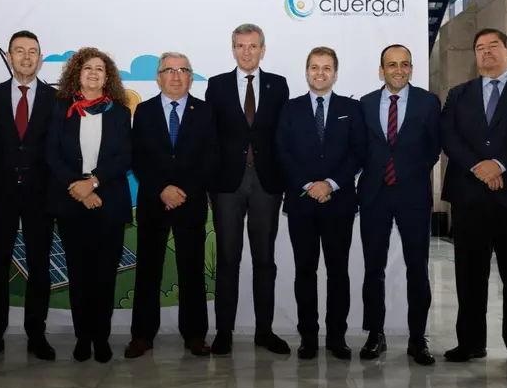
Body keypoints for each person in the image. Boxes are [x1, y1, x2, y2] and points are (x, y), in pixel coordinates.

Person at [440, 28, 507, 374]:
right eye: (480, 47)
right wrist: (479, 167)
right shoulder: (458, 94)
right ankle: (470, 342)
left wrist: (499, 164)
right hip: (469, 196)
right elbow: (448, 136)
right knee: (469, 276)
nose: (486, 52)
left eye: (493, 45)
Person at [124, 52, 219, 359]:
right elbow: (137, 157)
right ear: (158, 76)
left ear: (191, 77)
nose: (176, 76)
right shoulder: (145, 111)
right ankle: (142, 335)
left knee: (191, 271)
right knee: (148, 270)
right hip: (154, 202)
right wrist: (162, 189)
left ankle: (194, 335)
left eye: (183, 70)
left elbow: (210, 158)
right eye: (169, 70)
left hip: (190, 204)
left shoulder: (204, 112)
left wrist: (184, 191)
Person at [205, 23, 291, 355]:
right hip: (227, 185)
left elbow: (284, 135)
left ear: (263, 49)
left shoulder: (278, 85)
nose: (246, 52)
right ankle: (223, 331)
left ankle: (264, 331)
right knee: (227, 259)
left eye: (253, 46)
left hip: (267, 184)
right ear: (233, 49)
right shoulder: (217, 85)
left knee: (265, 260)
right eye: (240, 46)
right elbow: (210, 136)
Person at [276, 47, 365, 360]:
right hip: (302, 203)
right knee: (305, 273)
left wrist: (330, 184)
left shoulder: (352, 109)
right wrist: (309, 185)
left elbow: (358, 152)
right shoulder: (290, 109)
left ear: (335, 73)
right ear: (306, 72)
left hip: (338, 202)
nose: (320, 73)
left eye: (327, 68)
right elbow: (283, 152)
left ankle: (337, 337)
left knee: (338, 272)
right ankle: (309, 338)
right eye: (314, 67)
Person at [45, 47, 132, 364]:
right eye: (87, 68)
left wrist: (93, 183)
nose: (93, 73)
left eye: (100, 69)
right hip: (71, 202)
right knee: (78, 274)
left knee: (104, 275)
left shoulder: (121, 112)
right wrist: (78, 189)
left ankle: (101, 337)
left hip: (109, 202)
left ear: (107, 77)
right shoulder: (60, 108)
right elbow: (51, 154)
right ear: (76, 74)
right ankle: (83, 337)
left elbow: (124, 157)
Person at [0, 30, 57, 363]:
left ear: (40, 58)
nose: (26, 57)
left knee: (40, 267)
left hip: (41, 197)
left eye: (32, 51)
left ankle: (36, 335)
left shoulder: (57, 99)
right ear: (8, 57)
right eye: (19, 51)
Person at [357, 44, 441, 365]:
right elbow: (360, 149)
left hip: (413, 195)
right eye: (392, 65)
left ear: (411, 68)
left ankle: (418, 339)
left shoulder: (428, 102)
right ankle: (374, 334)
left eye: (405, 64)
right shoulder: (364, 105)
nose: (399, 70)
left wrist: (410, 172)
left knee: (417, 269)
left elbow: (434, 148)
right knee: (373, 269)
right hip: (374, 195)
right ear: (382, 70)